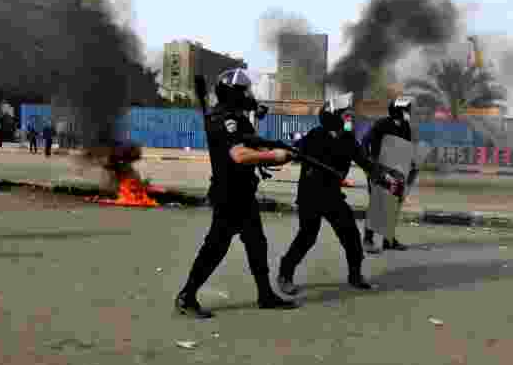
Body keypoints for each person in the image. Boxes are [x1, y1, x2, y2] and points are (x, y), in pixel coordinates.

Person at [175, 68, 298, 318]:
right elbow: (238, 154)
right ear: (233, 93)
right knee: (216, 247)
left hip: (242, 192)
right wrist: (273, 156)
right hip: (229, 195)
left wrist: (272, 147)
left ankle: (265, 295)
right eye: (244, 90)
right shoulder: (224, 119)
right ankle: (186, 296)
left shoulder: (234, 117)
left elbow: (247, 142)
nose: (248, 94)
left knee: (256, 243)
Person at [277, 93, 380, 296]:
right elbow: (291, 152)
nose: (349, 119)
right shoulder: (314, 136)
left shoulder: (348, 140)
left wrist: (383, 176)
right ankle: (285, 274)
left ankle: (355, 275)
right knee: (307, 237)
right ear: (333, 118)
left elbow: (365, 162)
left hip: (332, 195)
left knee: (350, 234)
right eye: (345, 115)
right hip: (310, 195)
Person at [361, 97, 419, 252]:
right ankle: (368, 240)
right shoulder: (381, 124)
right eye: (406, 110)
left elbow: (406, 147)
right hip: (379, 169)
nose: (408, 112)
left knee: (392, 205)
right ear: (398, 111)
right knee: (377, 204)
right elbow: (365, 142)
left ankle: (388, 240)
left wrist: (411, 163)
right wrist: (369, 164)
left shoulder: (406, 126)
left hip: (396, 170)